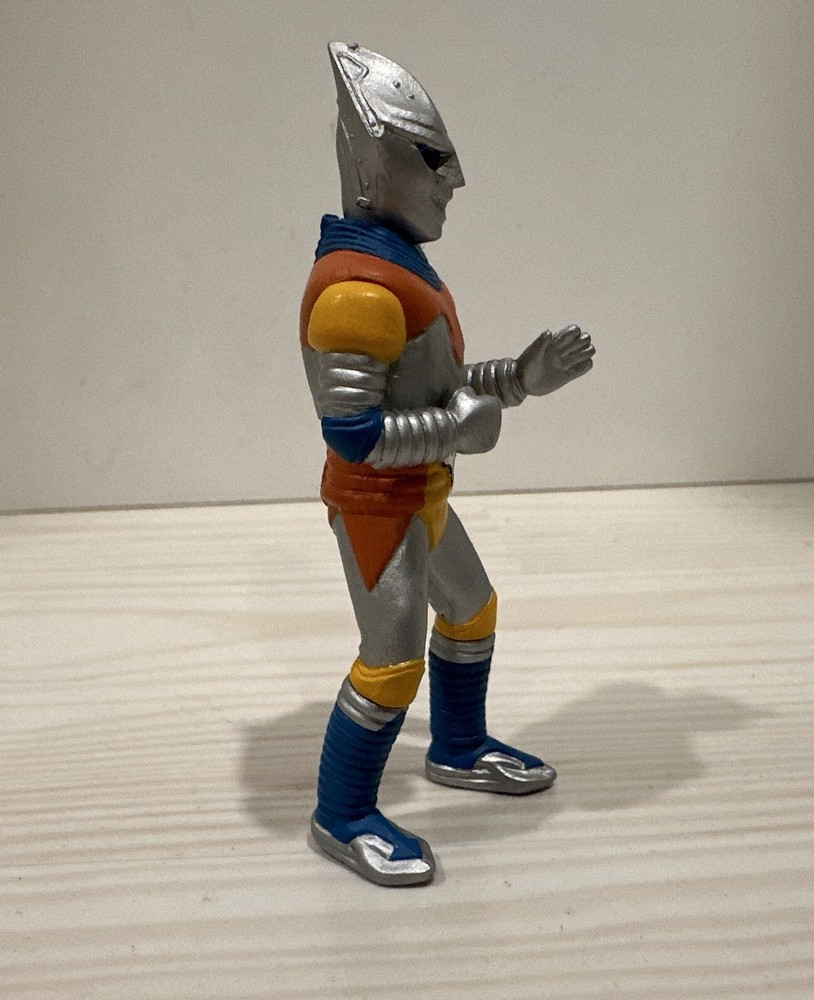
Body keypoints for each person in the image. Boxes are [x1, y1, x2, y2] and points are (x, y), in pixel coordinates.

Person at [299, 42, 595, 886]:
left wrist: (520, 379)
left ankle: (458, 746)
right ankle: (341, 813)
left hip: (421, 493)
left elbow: (441, 387)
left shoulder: (398, 270)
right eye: (433, 160)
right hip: (376, 506)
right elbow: (354, 436)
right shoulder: (355, 293)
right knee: (390, 661)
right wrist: (455, 432)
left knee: (470, 609)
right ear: (374, 166)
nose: (453, 181)